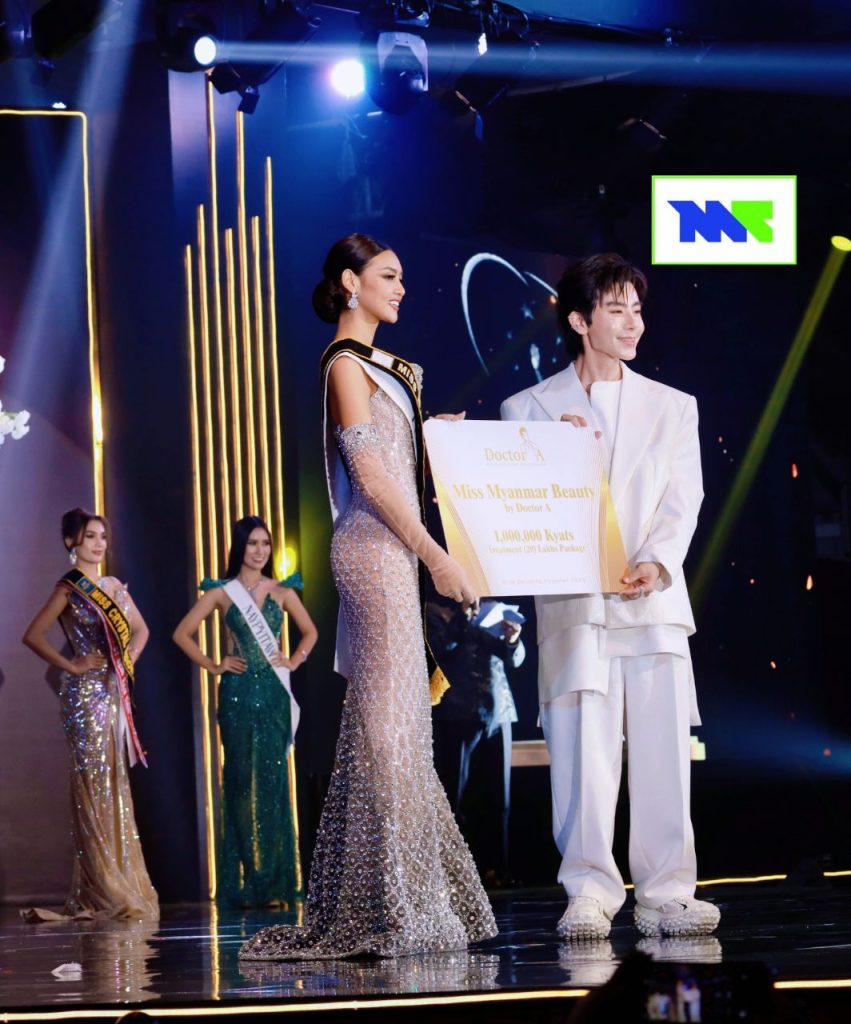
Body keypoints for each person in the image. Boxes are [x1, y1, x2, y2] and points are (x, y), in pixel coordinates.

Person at [239, 233, 497, 961]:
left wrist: (430, 434)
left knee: (395, 725)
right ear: (351, 283)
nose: (401, 287)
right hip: (374, 549)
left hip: (393, 549)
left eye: (402, 276)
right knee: (390, 730)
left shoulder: (381, 368)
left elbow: (392, 456)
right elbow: (373, 479)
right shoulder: (346, 364)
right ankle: (397, 901)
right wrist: (437, 557)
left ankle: (395, 896)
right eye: (388, 275)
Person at [500, 253, 719, 941]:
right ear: (579, 320)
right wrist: (561, 461)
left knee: (662, 751)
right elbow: (518, 510)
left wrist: (656, 560)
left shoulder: (672, 406)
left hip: (650, 603)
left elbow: (683, 498)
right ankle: (588, 891)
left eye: (636, 309)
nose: (632, 323)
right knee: (580, 756)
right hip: (575, 608)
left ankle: (667, 892)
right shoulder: (527, 409)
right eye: (616, 310)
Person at [21, 507, 158, 920]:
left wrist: (125, 664)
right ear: (71, 542)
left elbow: (142, 630)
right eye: (90, 536)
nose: (99, 543)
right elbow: (33, 635)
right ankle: (102, 884)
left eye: (102, 536)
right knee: (92, 784)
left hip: (112, 692)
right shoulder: (69, 588)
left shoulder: (114, 586)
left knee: (114, 782)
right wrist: (72, 664)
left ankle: (118, 877)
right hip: (83, 697)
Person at [173, 515, 316, 908]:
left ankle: (273, 881)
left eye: (265, 544)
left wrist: (294, 660)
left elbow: (311, 631)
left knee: (272, 782)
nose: (260, 551)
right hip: (236, 694)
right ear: (240, 546)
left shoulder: (282, 590)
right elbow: (181, 633)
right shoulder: (222, 592)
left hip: (272, 693)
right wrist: (214, 664)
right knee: (239, 782)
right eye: (253, 543)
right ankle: (248, 878)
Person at [429, 599, 525, 886]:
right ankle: (452, 874)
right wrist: (463, 619)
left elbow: (515, 659)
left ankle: (497, 870)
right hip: (456, 711)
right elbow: (437, 650)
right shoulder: (433, 611)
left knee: (499, 798)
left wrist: (512, 639)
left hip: (497, 710)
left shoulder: (495, 610)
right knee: (454, 796)